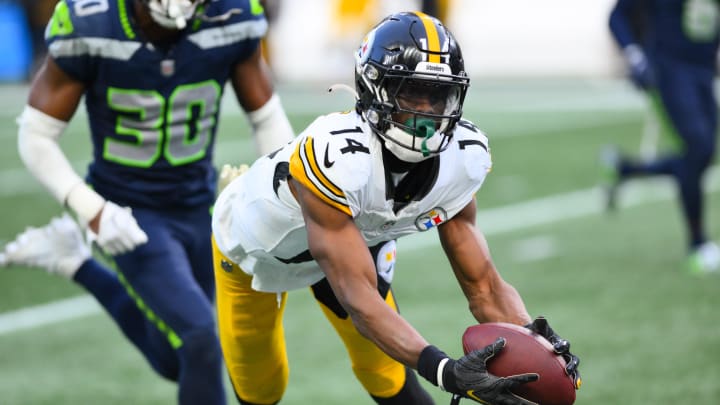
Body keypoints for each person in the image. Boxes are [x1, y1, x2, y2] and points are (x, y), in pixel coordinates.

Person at [210, 11, 581, 405]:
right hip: (256, 252)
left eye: (437, 95)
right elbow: (359, 300)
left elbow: (485, 286)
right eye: (411, 92)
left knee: (388, 377)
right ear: (375, 89)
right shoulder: (337, 154)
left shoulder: (462, 156)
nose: (425, 112)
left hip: (356, 242)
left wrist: (534, 338)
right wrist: (446, 370)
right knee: (263, 386)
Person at [0, 0, 294, 403]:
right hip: (128, 209)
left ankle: (74, 261)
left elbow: (265, 115)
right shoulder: (91, 23)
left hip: (199, 202)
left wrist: (282, 195)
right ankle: (76, 252)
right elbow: (35, 134)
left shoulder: (232, 14)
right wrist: (94, 212)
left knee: (183, 356)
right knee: (199, 340)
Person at [605, 0, 720, 274]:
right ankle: (697, 244)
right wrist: (635, 57)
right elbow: (618, 15)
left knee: (702, 155)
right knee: (698, 146)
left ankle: (626, 168)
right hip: (670, 70)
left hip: (704, 72)